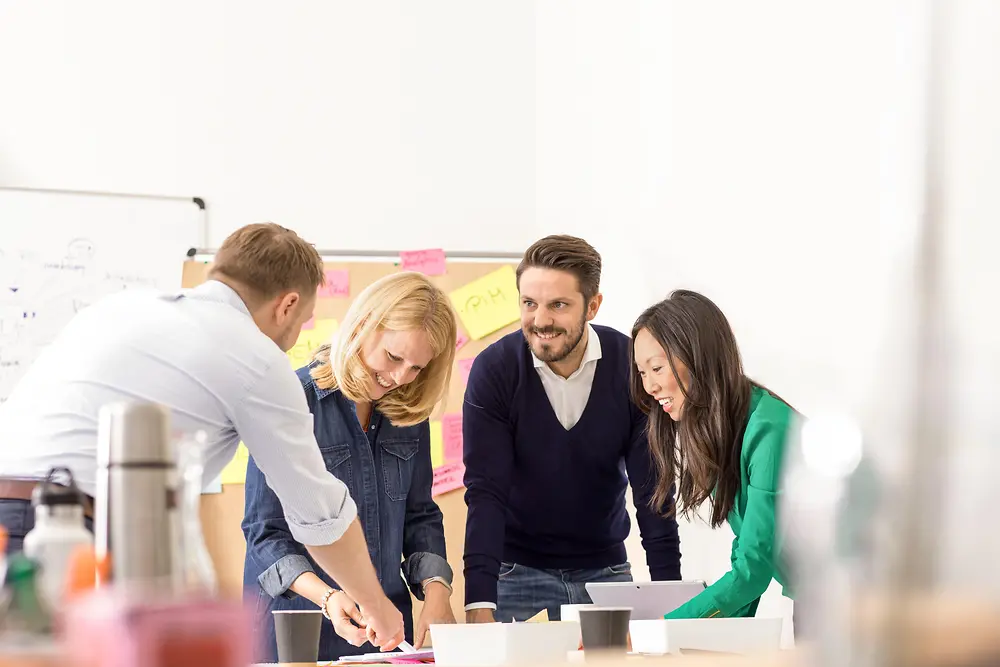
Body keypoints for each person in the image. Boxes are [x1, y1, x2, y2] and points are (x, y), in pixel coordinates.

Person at [0, 223, 404, 649]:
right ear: (287, 305)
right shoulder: (255, 357)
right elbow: (319, 514)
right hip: (63, 536)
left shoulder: (116, 309)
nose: (296, 337)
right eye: (303, 321)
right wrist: (377, 606)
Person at [462, 235, 682, 624]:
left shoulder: (630, 365)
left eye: (558, 305)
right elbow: (486, 493)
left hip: (606, 575)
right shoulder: (494, 371)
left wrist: (672, 598)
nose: (541, 320)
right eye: (529, 303)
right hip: (515, 577)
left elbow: (652, 489)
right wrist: (479, 602)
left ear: (593, 306)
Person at [242, 272, 458, 663]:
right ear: (362, 327)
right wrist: (328, 598)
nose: (399, 378)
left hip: (386, 634)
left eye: (416, 368)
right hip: (296, 632)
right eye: (394, 357)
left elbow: (421, 517)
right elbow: (264, 535)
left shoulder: (408, 415)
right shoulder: (292, 401)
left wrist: (437, 591)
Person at [630, 289, 796, 619]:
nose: (649, 386)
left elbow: (752, 571)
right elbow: (748, 555)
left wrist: (663, 629)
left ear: (698, 356)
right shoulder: (727, 428)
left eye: (657, 368)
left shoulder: (770, 431)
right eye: (642, 372)